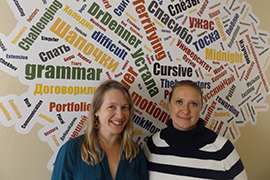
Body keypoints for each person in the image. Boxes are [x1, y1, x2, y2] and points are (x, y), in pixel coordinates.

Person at [144, 80, 247, 179]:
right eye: (179, 102)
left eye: (193, 104)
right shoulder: (153, 145)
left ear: (201, 107)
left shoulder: (222, 150)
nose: (185, 110)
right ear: (169, 105)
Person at [51, 79, 148, 180]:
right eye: (111, 107)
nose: (120, 115)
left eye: (124, 107)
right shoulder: (71, 151)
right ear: (96, 110)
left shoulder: (135, 154)